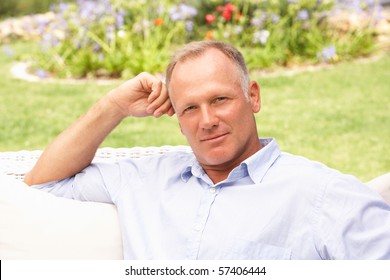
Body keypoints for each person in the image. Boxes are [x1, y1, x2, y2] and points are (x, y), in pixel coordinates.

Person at [24, 40, 390, 259]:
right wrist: (113, 106)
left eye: (220, 99)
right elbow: (41, 186)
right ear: (177, 119)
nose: (207, 120)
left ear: (253, 96)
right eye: (190, 108)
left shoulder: (322, 195)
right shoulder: (143, 179)